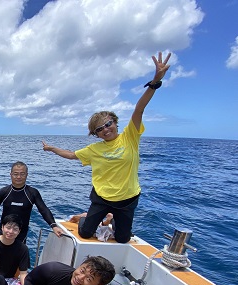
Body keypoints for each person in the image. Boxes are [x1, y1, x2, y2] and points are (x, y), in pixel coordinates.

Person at [41, 52, 171, 243]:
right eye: (99, 129)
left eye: (108, 124)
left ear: (115, 122)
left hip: (127, 199)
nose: (105, 129)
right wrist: (52, 149)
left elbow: (139, 109)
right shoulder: (95, 149)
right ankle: (86, 217)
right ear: (96, 134)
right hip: (102, 197)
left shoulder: (130, 136)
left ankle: (113, 220)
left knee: (122, 239)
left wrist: (155, 82)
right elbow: (71, 155)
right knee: (85, 233)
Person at [0, 161, 63, 243]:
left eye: (22, 174)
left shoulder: (32, 193)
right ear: (11, 175)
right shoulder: (4, 191)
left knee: (17, 254)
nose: (19, 177)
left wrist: (53, 226)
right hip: (4, 231)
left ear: (27, 175)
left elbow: (43, 209)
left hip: (21, 233)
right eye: (15, 174)